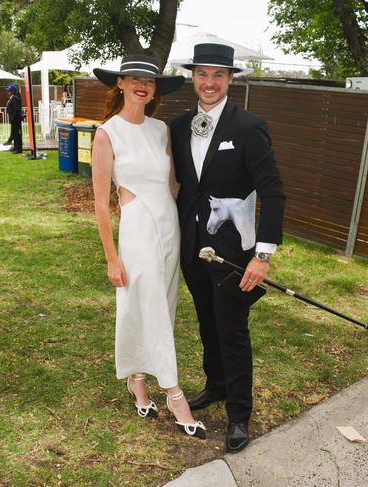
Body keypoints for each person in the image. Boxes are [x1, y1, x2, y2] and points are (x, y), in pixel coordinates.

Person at [170, 43, 285, 452]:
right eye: (203, 74)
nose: (209, 82)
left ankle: (239, 413)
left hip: (234, 252)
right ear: (193, 77)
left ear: (231, 79)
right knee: (206, 321)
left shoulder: (248, 126)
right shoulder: (179, 125)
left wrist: (264, 253)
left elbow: (272, 191)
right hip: (192, 247)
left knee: (232, 330)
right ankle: (216, 385)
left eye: (219, 75)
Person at [91, 54, 206, 439]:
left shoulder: (160, 130)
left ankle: (137, 378)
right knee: (148, 303)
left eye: (150, 81)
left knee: (161, 305)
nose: (143, 85)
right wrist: (111, 257)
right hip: (137, 228)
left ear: (156, 90)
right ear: (120, 83)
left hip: (168, 224)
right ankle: (175, 394)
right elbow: (100, 203)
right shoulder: (107, 133)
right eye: (135, 78)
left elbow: (173, 182)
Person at [5, 84, 23, 154]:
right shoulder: (13, 97)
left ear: (12, 91)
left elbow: (16, 109)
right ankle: (15, 147)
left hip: (16, 119)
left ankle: (18, 149)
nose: (7, 92)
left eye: (9, 91)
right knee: (14, 134)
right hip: (14, 119)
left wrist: (12, 116)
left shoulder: (15, 98)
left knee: (17, 134)